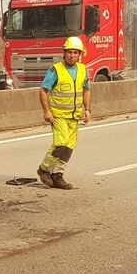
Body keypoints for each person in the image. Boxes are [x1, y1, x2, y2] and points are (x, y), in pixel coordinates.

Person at [37, 36, 92, 190]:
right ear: (64, 53)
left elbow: (86, 90)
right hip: (58, 115)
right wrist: (46, 111)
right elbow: (43, 90)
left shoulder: (82, 69)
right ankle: (44, 169)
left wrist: (87, 109)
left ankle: (57, 174)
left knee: (69, 146)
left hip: (74, 116)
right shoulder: (55, 70)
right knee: (60, 142)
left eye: (75, 52)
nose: (72, 55)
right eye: (69, 52)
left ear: (80, 54)